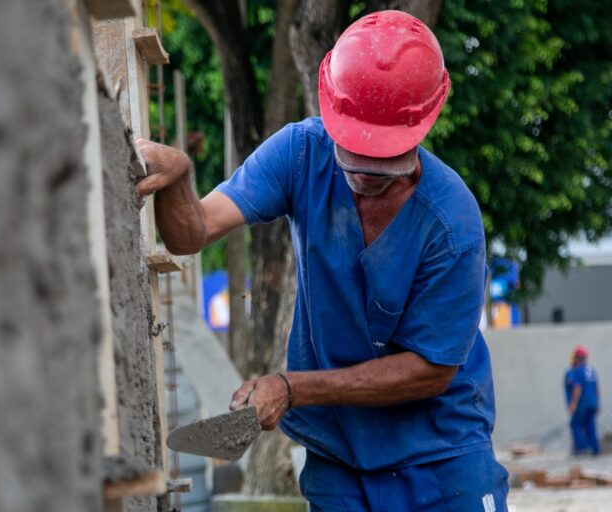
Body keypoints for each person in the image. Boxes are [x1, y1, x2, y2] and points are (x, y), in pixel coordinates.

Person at [137, 10, 508, 511]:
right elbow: (192, 232)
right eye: (353, 155)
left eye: (384, 165)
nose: (364, 174)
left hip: (440, 454)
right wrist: (179, 176)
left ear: (422, 124)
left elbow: (430, 371)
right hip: (338, 452)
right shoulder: (300, 154)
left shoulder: (452, 224)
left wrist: (292, 388)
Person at [566, 345, 601, 456]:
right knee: (590, 426)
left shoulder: (578, 371)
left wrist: (573, 403)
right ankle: (595, 449)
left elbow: (577, 388)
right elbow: (597, 389)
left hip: (583, 403)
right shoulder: (592, 370)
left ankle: (583, 447)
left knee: (575, 424)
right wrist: (598, 404)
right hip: (593, 402)